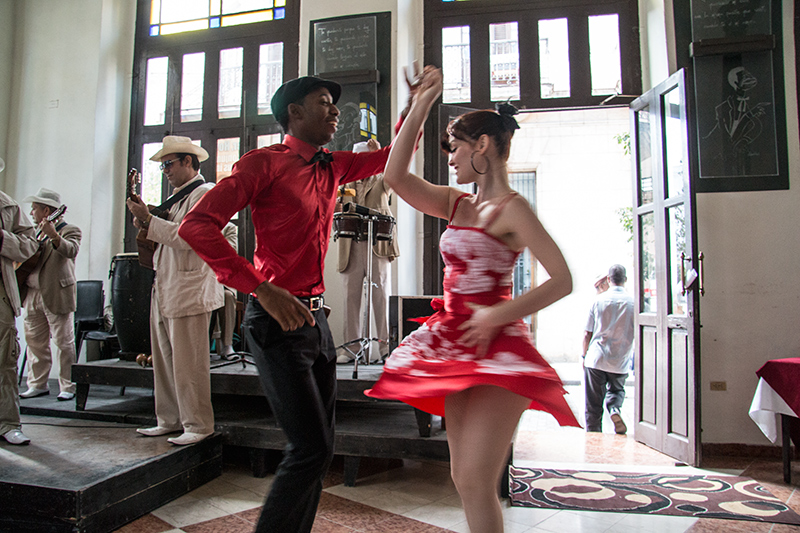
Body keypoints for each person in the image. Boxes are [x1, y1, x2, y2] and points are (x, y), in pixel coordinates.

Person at [178, 76, 401, 533]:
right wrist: (259, 287)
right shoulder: (264, 164)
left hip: (317, 322)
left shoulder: (332, 166)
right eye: (324, 103)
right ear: (295, 113)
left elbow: (389, 158)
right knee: (309, 448)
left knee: (321, 446)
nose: (336, 111)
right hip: (276, 320)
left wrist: (414, 109)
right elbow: (197, 225)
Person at [365, 67, 580, 533]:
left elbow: (562, 280)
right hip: (454, 342)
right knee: (464, 479)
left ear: (482, 145)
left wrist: (498, 314)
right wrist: (422, 105)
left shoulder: (513, 209)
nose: (451, 159)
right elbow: (394, 176)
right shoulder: (459, 204)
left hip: (499, 349)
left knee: (477, 480)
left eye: (456, 147)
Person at [126, 136, 231, 446]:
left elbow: (190, 236)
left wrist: (148, 219)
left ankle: (198, 425)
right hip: (166, 284)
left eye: (169, 164)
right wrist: (146, 223)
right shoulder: (177, 198)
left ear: (188, 162)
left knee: (189, 364)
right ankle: (169, 419)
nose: (166, 171)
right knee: (164, 360)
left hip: (189, 286)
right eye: (162, 167)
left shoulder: (205, 193)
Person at [336, 138, 399, 363]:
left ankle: (384, 349)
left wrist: (380, 154)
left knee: (380, 295)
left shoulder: (383, 179)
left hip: (378, 244)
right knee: (350, 297)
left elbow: (396, 169)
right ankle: (351, 349)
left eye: (366, 159)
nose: (362, 163)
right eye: (359, 160)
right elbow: (335, 204)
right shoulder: (345, 183)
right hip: (351, 244)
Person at [19, 188, 81, 401]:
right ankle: (37, 384)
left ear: (46, 210)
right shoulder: (33, 232)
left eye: (34, 208)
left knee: (64, 343)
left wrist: (54, 235)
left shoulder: (70, 230)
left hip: (56, 293)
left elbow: (71, 251)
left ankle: (68, 386)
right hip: (33, 294)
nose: (31, 212)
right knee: (35, 342)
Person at [0, 159, 39, 444]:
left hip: (1, 293)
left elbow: (30, 245)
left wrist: (2, 239)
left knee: (4, 360)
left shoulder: (8, 206)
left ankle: (7, 423)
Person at [582, 264, 634, 435]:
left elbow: (587, 333)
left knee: (593, 406)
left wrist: (584, 356)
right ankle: (614, 409)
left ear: (609, 280)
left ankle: (593, 439)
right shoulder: (633, 303)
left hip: (597, 357)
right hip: (620, 358)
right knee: (617, 390)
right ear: (625, 280)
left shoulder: (598, 301)